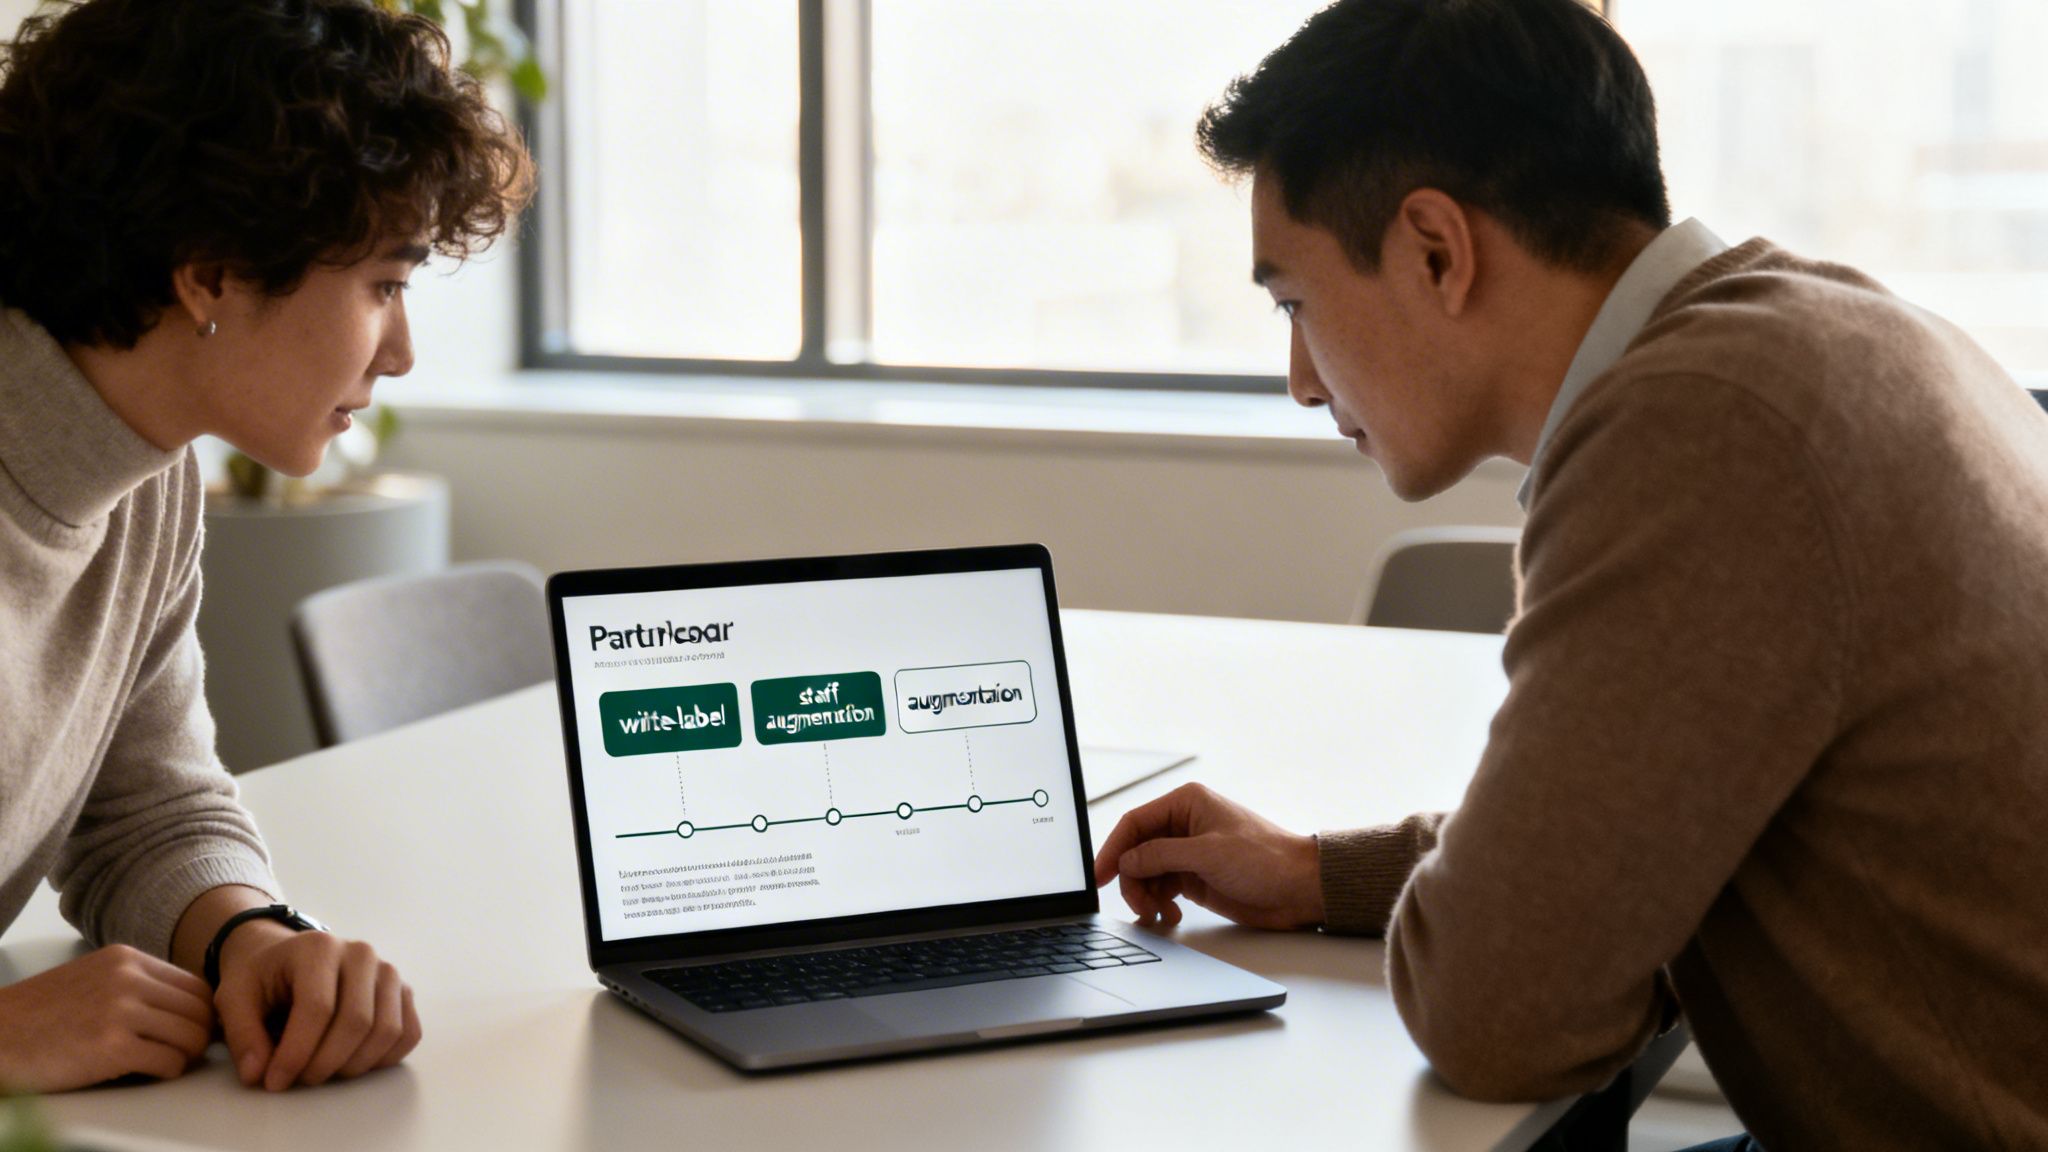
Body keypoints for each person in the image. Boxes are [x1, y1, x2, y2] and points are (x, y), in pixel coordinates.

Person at [1092, 0, 2048, 1148]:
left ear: (1434, 250)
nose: (1298, 379)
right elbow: (1627, 821)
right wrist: (1315, 874)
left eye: (1294, 303)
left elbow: (1499, 1015)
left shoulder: (1698, 433)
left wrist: (1487, 929)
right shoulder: (1822, 328)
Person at [0, 0, 531, 1093]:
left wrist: (250, 936)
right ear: (211, 273)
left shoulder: (144, 483)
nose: (404, 351)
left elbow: (147, 811)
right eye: (384, 284)